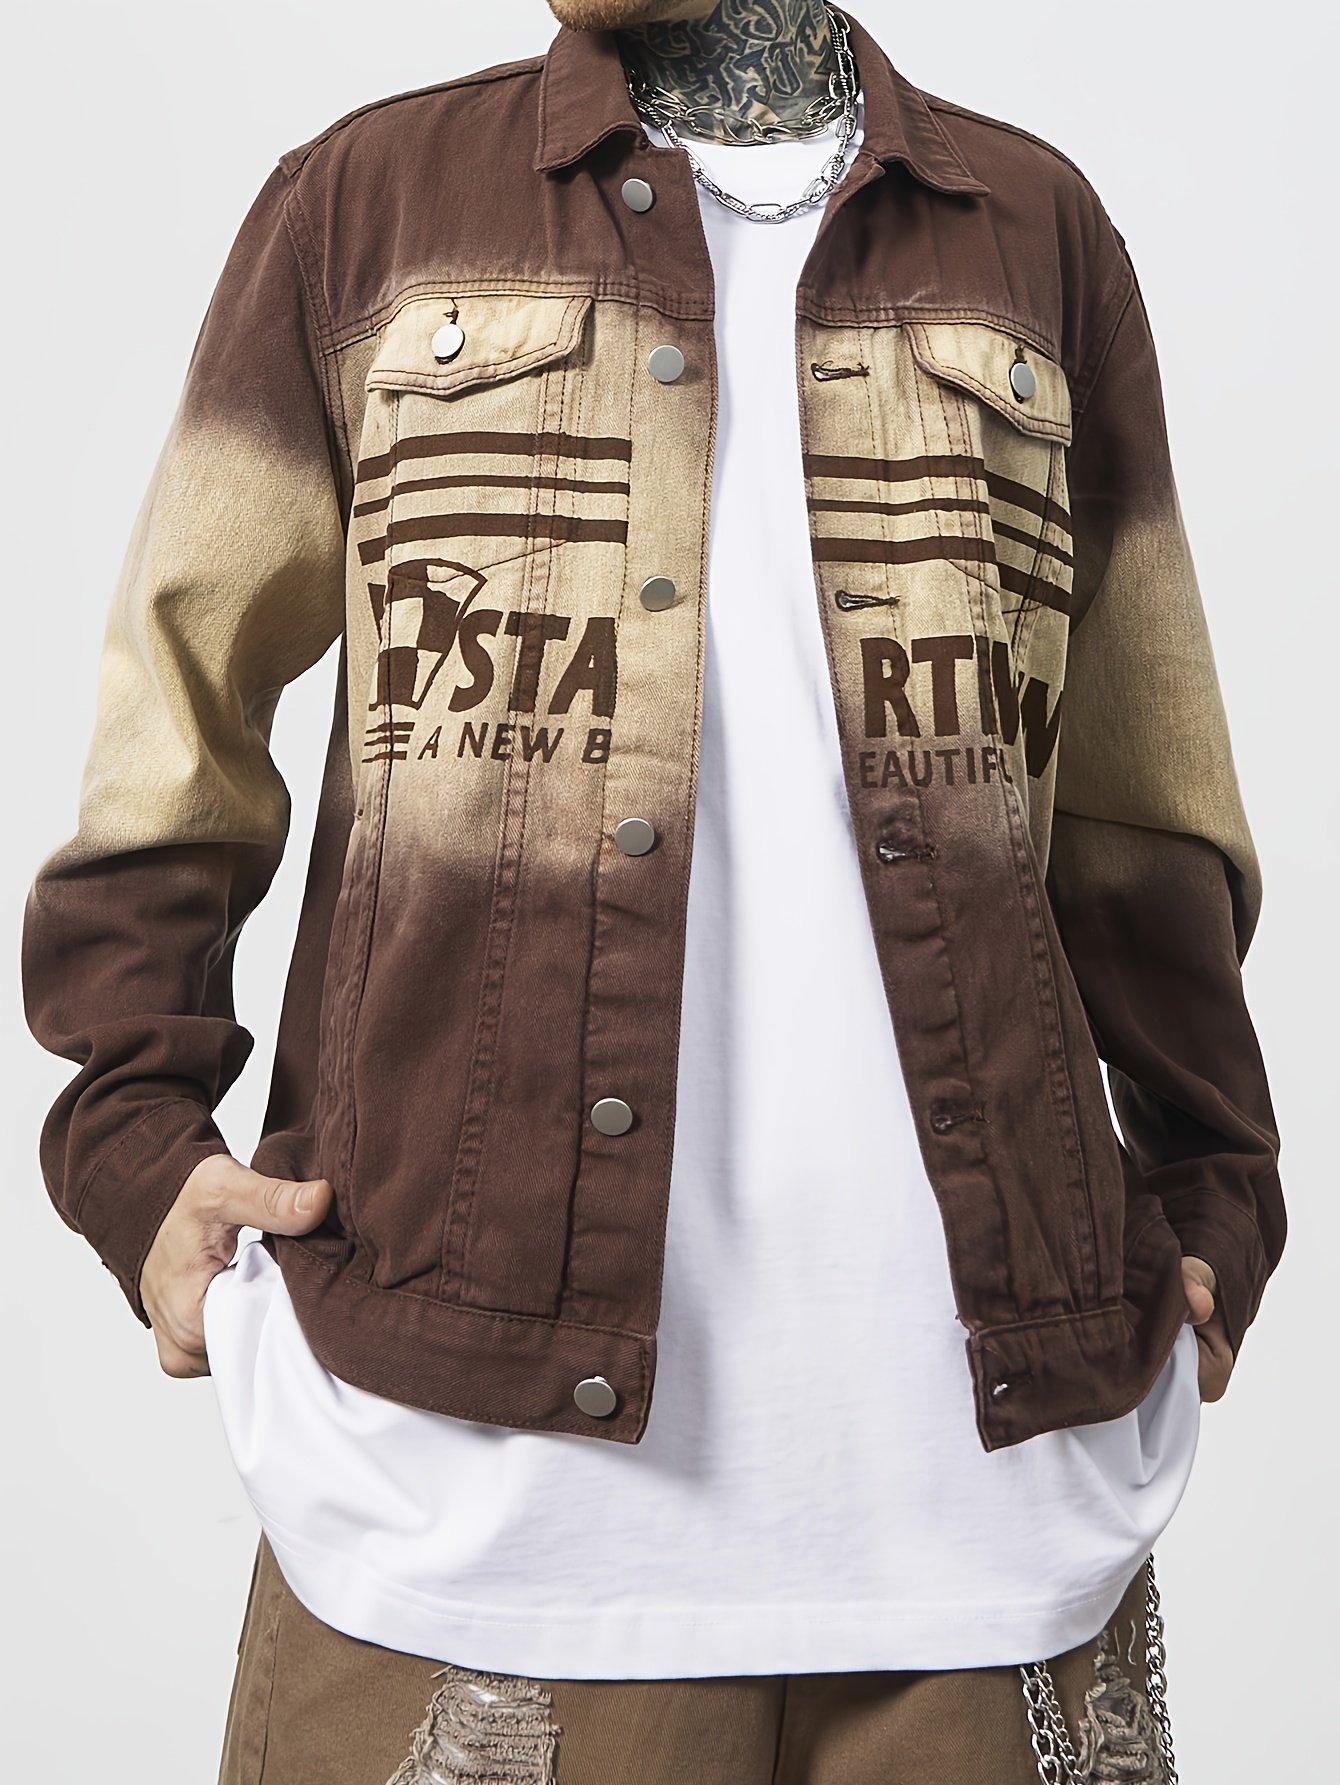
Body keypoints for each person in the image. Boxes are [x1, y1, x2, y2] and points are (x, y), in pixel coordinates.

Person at [21, 2, 1284, 1779]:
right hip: (456, 1497)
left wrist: (1217, 1185)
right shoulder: (365, 209)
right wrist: (136, 1144)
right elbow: (178, 711)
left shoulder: (1036, 234)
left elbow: (1142, 791)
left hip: (997, 1524)